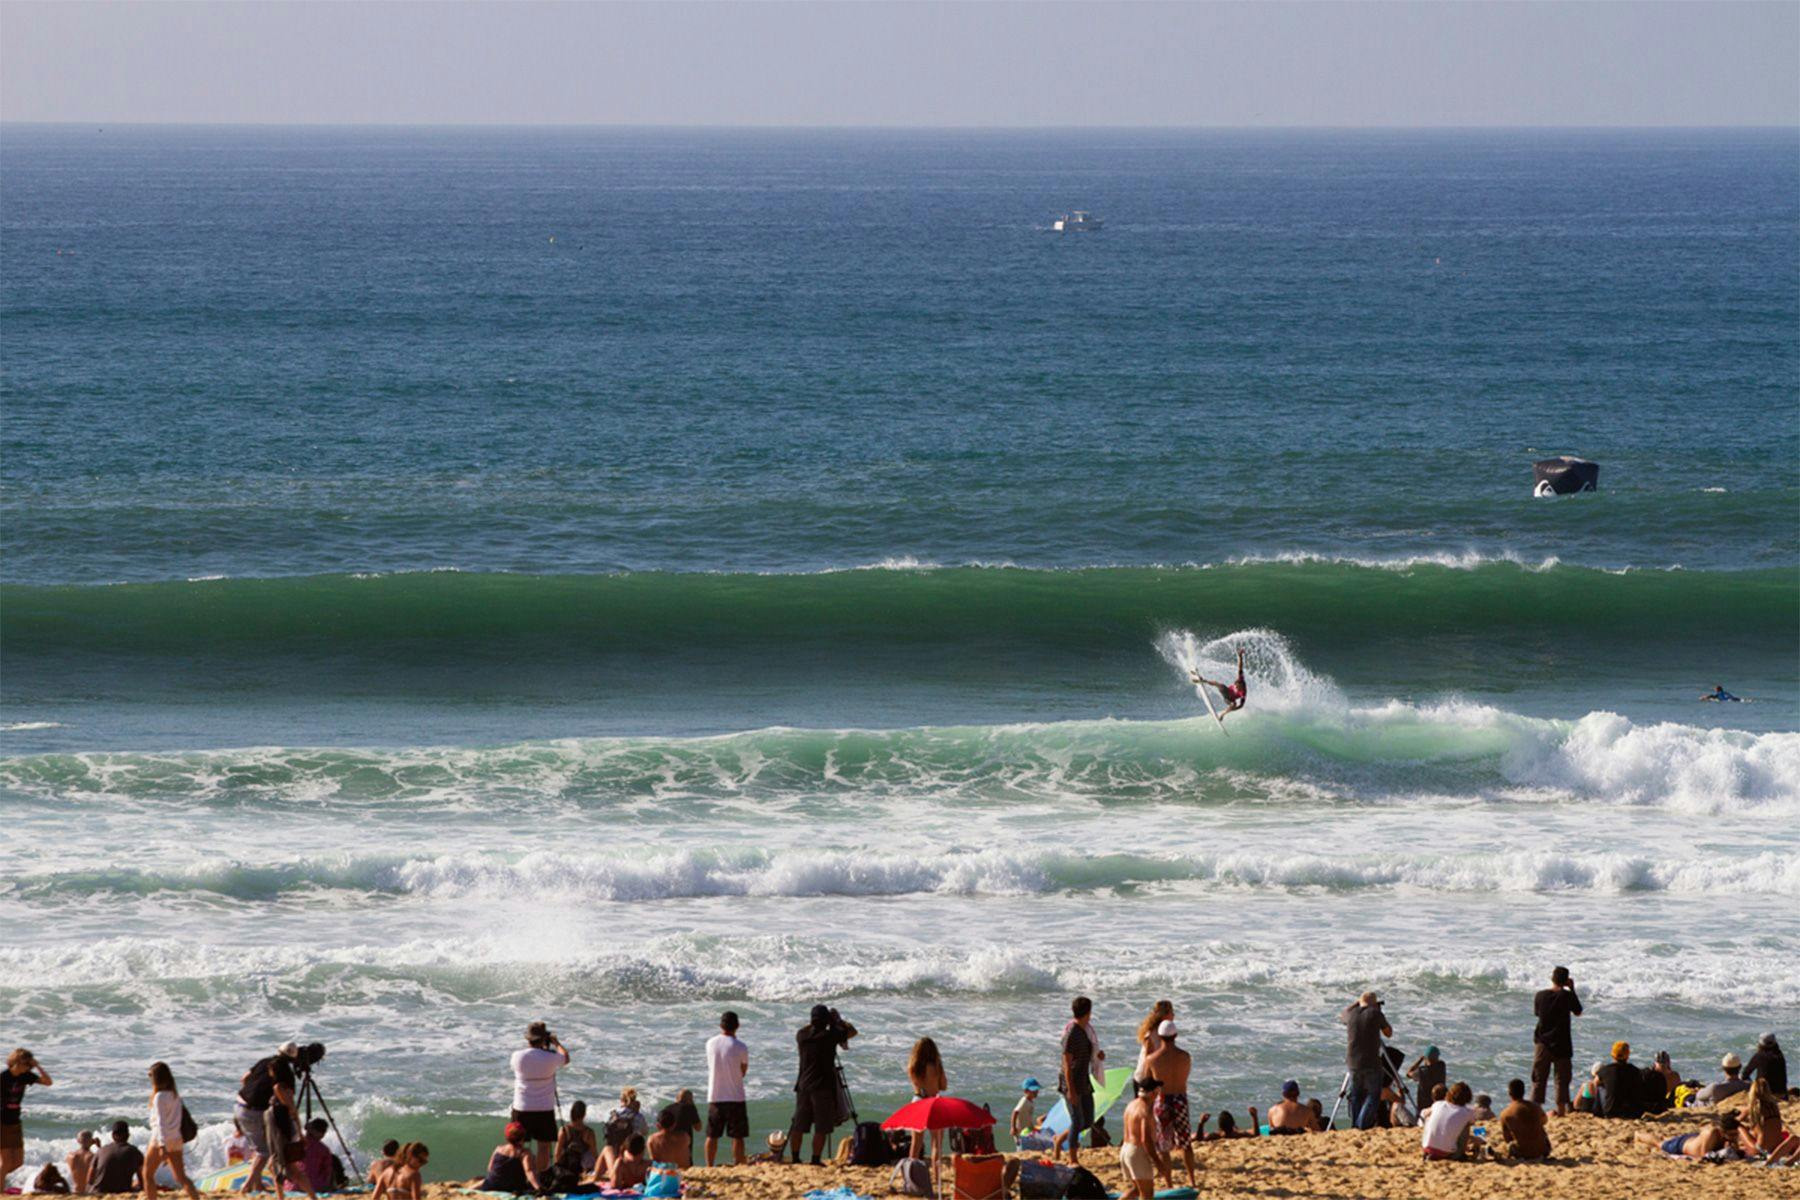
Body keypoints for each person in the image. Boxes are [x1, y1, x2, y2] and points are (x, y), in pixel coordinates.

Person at [786, 1005, 856, 1166]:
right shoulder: (830, 1036)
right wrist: (837, 1020)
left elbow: (808, 1027)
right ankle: (815, 1160)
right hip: (823, 1086)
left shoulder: (802, 1036)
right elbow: (852, 1031)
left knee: (798, 1125)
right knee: (822, 1127)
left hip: (803, 1085)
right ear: (825, 1020)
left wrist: (820, 1022)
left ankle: (795, 1158)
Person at [235, 1041, 301, 1197]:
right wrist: (292, 1110)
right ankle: (247, 1185)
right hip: (254, 1111)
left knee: (259, 1147)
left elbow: (244, 1079)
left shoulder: (264, 1061)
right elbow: (280, 1090)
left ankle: (258, 1185)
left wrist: (254, 1092)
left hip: (239, 1104)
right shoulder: (285, 1071)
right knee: (264, 1151)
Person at [509, 1022, 570, 1174]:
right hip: (544, 1108)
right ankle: (540, 1175)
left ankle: (520, 1174)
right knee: (543, 1146)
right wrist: (556, 1043)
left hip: (522, 1106)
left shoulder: (517, 1056)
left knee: (518, 1144)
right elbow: (566, 1058)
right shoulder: (550, 1057)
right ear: (543, 1039)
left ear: (528, 1039)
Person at [1143, 1020, 1196, 1186]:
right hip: (1180, 1099)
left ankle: (1169, 1183)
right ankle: (1192, 1180)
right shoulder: (1185, 1057)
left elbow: (1147, 1082)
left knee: (1164, 1147)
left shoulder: (1151, 1059)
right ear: (1176, 1036)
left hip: (1163, 1099)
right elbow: (1184, 1078)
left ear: (1160, 1036)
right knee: (1186, 1144)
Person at [144, 1061, 202, 1200]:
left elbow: (161, 1123)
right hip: (176, 1139)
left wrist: (162, 1146)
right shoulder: (174, 1095)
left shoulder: (159, 1097)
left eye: (151, 1076)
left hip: (160, 1140)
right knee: (181, 1177)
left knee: (147, 1175)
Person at [1530, 966, 1583, 1115]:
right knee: (1562, 1080)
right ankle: (1561, 1111)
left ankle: (1537, 1110)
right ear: (1566, 981)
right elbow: (1578, 1011)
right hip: (1562, 1043)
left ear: (1552, 978)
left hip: (1542, 1042)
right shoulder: (1567, 996)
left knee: (1539, 1078)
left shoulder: (1540, 995)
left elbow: (1537, 1013)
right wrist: (1572, 989)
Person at [1058, 996, 1103, 1164]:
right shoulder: (1072, 1033)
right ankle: (1073, 1159)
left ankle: (1059, 1139)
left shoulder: (1086, 1031)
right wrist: (1071, 1091)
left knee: (1088, 1120)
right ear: (1088, 1013)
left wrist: (1099, 1055)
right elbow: (1066, 1065)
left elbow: (1089, 1053)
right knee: (1077, 1120)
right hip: (1071, 1083)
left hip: (1083, 1080)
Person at [1339, 991, 1391, 1130]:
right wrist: (1377, 1012)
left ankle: (1355, 1125)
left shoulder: (1351, 1015)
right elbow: (1388, 1033)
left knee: (1356, 1094)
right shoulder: (1375, 1014)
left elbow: (1342, 1014)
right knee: (1373, 1095)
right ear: (1373, 1004)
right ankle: (1361, 1125)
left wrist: (1358, 1002)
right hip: (1371, 1062)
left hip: (1352, 1063)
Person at [705, 1012, 750, 1167]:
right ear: (737, 1026)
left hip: (715, 1096)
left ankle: (710, 1165)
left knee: (712, 1135)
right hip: (735, 1096)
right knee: (738, 1136)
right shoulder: (741, 1046)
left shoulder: (710, 1043)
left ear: (721, 1025)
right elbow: (743, 1071)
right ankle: (737, 1163)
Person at [2, 1047, 52, 1184]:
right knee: (5, 1162)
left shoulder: (25, 1076)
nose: (29, 1068)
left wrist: (38, 1066)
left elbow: (48, 1082)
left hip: (15, 1121)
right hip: (2, 1122)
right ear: (18, 1062)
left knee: (18, 1162)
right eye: (27, 1064)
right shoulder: (3, 1078)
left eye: (30, 1065)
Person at [905, 1037, 948, 1160]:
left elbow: (917, 1085)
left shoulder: (913, 1067)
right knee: (936, 1143)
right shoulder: (937, 1067)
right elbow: (944, 1086)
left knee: (916, 1144)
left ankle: (911, 1174)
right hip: (933, 1102)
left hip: (917, 1101)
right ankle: (936, 1174)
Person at [1634, 1112, 1741, 1160]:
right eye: (1731, 1135)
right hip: (1683, 1146)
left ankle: (1666, 1137)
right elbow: (1703, 1156)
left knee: (1667, 1140)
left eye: (1735, 1134)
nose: (1734, 1137)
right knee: (1660, 1144)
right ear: (1723, 1131)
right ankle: (1639, 1135)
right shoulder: (1711, 1133)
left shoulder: (1728, 1134)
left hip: (1693, 1140)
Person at [1117, 1078, 1159, 1200]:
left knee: (1136, 1190)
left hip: (1125, 1150)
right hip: (1137, 1152)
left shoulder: (1131, 1105)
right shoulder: (1145, 1110)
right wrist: (1157, 1161)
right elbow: (1146, 1140)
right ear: (1154, 1092)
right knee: (1147, 1194)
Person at [1420, 1082, 1480, 1161]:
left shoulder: (1438, 1104)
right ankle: (1479, 1141)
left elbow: (1423, 1113)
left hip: (1427, 1148)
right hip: (1446, 1153)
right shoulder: (1467, 1112)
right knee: (1467, 1126)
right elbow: (1473, 1123)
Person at [1497, 1078, 1550, 1161]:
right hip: (1543, 1151)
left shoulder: (1505, 1113)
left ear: (1509, 1093)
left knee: (1511, 1144)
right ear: (1524, 1092)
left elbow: (1507, 1138)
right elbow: (1545, 1121)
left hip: (1522, 1153)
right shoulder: (1536, 1107)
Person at [481, 1122, 540, 1194]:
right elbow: (529, 1171)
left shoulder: (498, 1149)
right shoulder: (524, 1152)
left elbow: (490, 1168)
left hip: (491, 1185)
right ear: (523, 1136)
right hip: (511, 1188)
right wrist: (539, 1188)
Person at [1190, 647, 1248, 720]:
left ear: (1241, 686)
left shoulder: (1243, 693)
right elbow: (1240, 667)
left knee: (1234, 704)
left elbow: (1241, 706)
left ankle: (1222, 715)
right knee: (1221, 685)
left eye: (1237, 687)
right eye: (1235, 686)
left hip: (1229, 700)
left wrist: (1231, 709)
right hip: (1225, 691)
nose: (1236, 687)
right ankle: (1203, 681)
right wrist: (1240, 656)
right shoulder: (1241, 678)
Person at [92, 1122, 145, 1194]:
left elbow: (90, 1179)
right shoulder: (135, 1152)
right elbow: (143, 1180)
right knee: (136, 1184)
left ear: (112, 1136)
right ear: (128, 1135)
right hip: (122, 1191)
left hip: (98, 1192)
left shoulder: (101, 1150)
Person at [1596, 1041, 1644, 1119]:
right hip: (1634, 1113)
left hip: (1611, 1113)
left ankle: (1597, 1111)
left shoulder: (1606, 1070)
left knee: (1599, 1086)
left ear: (1613, 1055)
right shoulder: (1635, 1071)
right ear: (1627, 1055)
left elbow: (1595, 1083)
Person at [554, 1100, 598, 1180]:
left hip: (568, 1165)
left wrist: (558, 1169)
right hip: (583, 1167)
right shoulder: (589, 1132)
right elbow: (594, 1153)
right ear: (584, 1114)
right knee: (588, 1154)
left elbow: (557, 1153)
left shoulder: (564, 1130)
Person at [1133, 1002, 1174, 1082]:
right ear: (1164, 1015)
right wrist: (1147, 1083)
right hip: (1144, 1079)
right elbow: (1148, 1059)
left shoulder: (1166, 1032)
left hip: (1156, 1077)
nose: (1173, 1015)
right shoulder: (1151, 1034)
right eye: (1171, 1012)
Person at [671, 1090, 701, 1167]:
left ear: (677, 1098)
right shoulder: (690, 1108)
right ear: (690, 1100)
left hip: (668, 1142)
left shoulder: (668, 1108)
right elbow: (698, 1128)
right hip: (684, 1142)